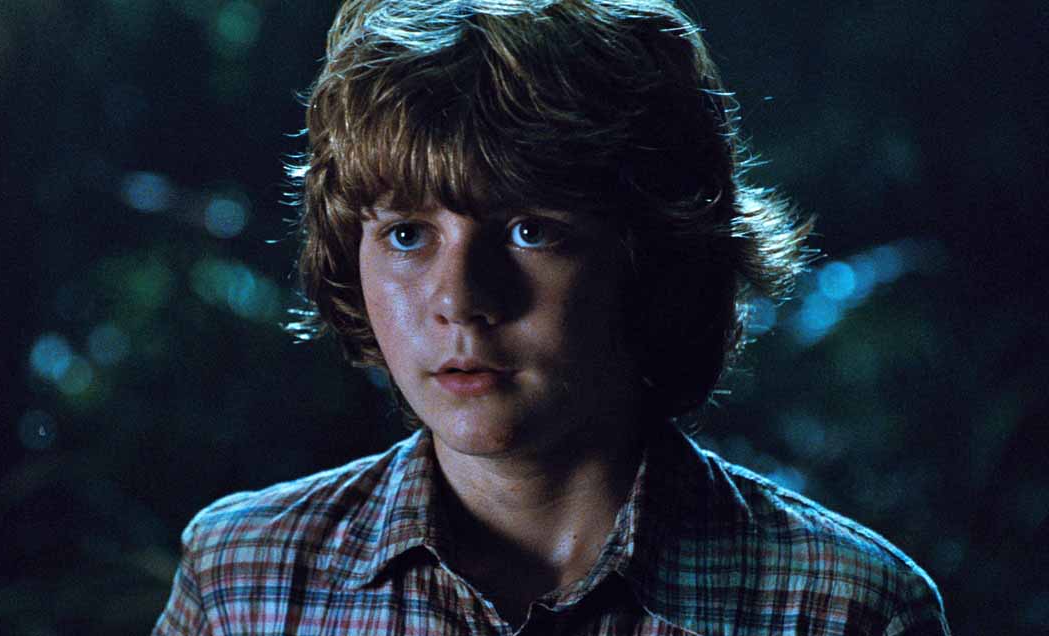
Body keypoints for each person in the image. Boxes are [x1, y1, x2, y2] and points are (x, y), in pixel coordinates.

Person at [154, 1, 951, 633]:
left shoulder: (843, 608)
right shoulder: (245, 579)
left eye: (530, 230)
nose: (460, 299)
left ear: (654, 252)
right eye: (407, 234)